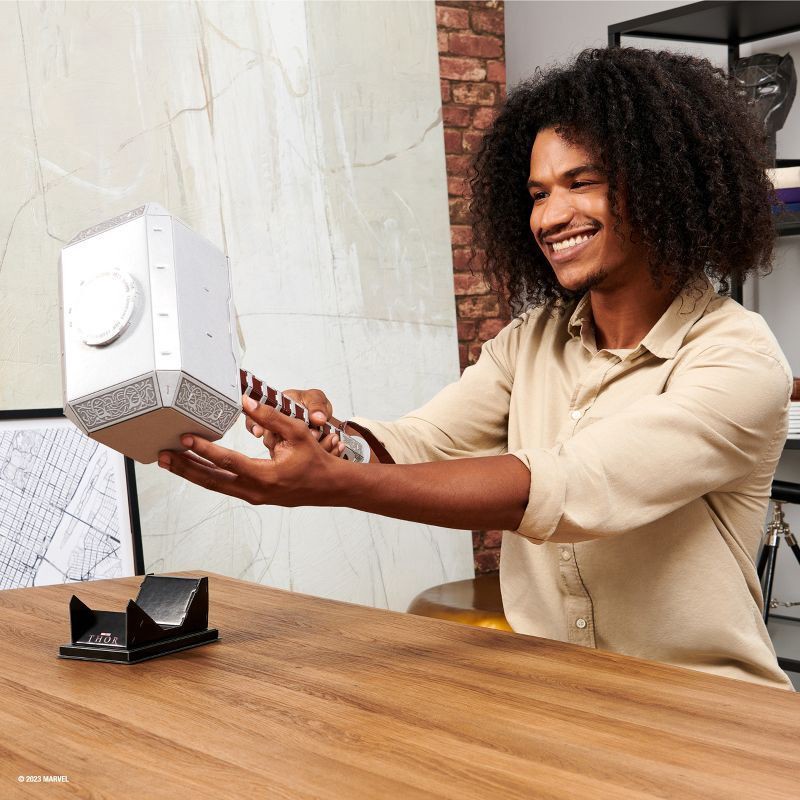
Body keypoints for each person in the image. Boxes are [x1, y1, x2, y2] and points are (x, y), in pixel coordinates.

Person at [158, 47, 793, 690]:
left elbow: (576, 485)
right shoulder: (529, 343)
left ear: (663, 186)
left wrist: (337, 484)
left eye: (582, 183)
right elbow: (422, 442)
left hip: (706, 707)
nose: (550, 217)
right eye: (538, 194)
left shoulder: (738, 359)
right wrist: (330, 438)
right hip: (556, 699)